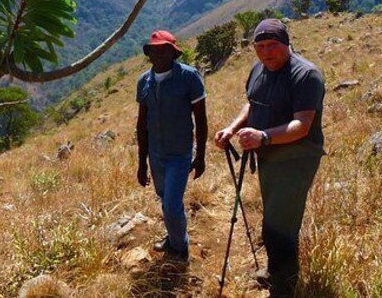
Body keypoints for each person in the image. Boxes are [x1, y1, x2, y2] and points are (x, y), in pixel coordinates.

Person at [214, 18, 325, 297]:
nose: (267, 52)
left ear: (286, 44)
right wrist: (232, 128)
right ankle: (277, 271)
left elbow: (302, 125)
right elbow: (252, 103)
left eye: (272, 45)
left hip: (296, 160)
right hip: (268, 158)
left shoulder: (305, 75)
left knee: (280, 226)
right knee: (274, 220)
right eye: (260, 46)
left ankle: (284, 287)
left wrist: (263, 136)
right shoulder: (259, 69)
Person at [136, 29, 208, 262]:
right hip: (155, 154)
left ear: (172, 53)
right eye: (154, 50)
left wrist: (201, 156)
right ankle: (174, 236)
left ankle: (181, 248)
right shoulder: (144, 82)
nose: (158, 54)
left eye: (163, 50)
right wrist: (142, 163)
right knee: (164, 198)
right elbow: (141, 124)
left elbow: (201, 119)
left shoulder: (189, 77)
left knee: (171, 204)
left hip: (180, 153)